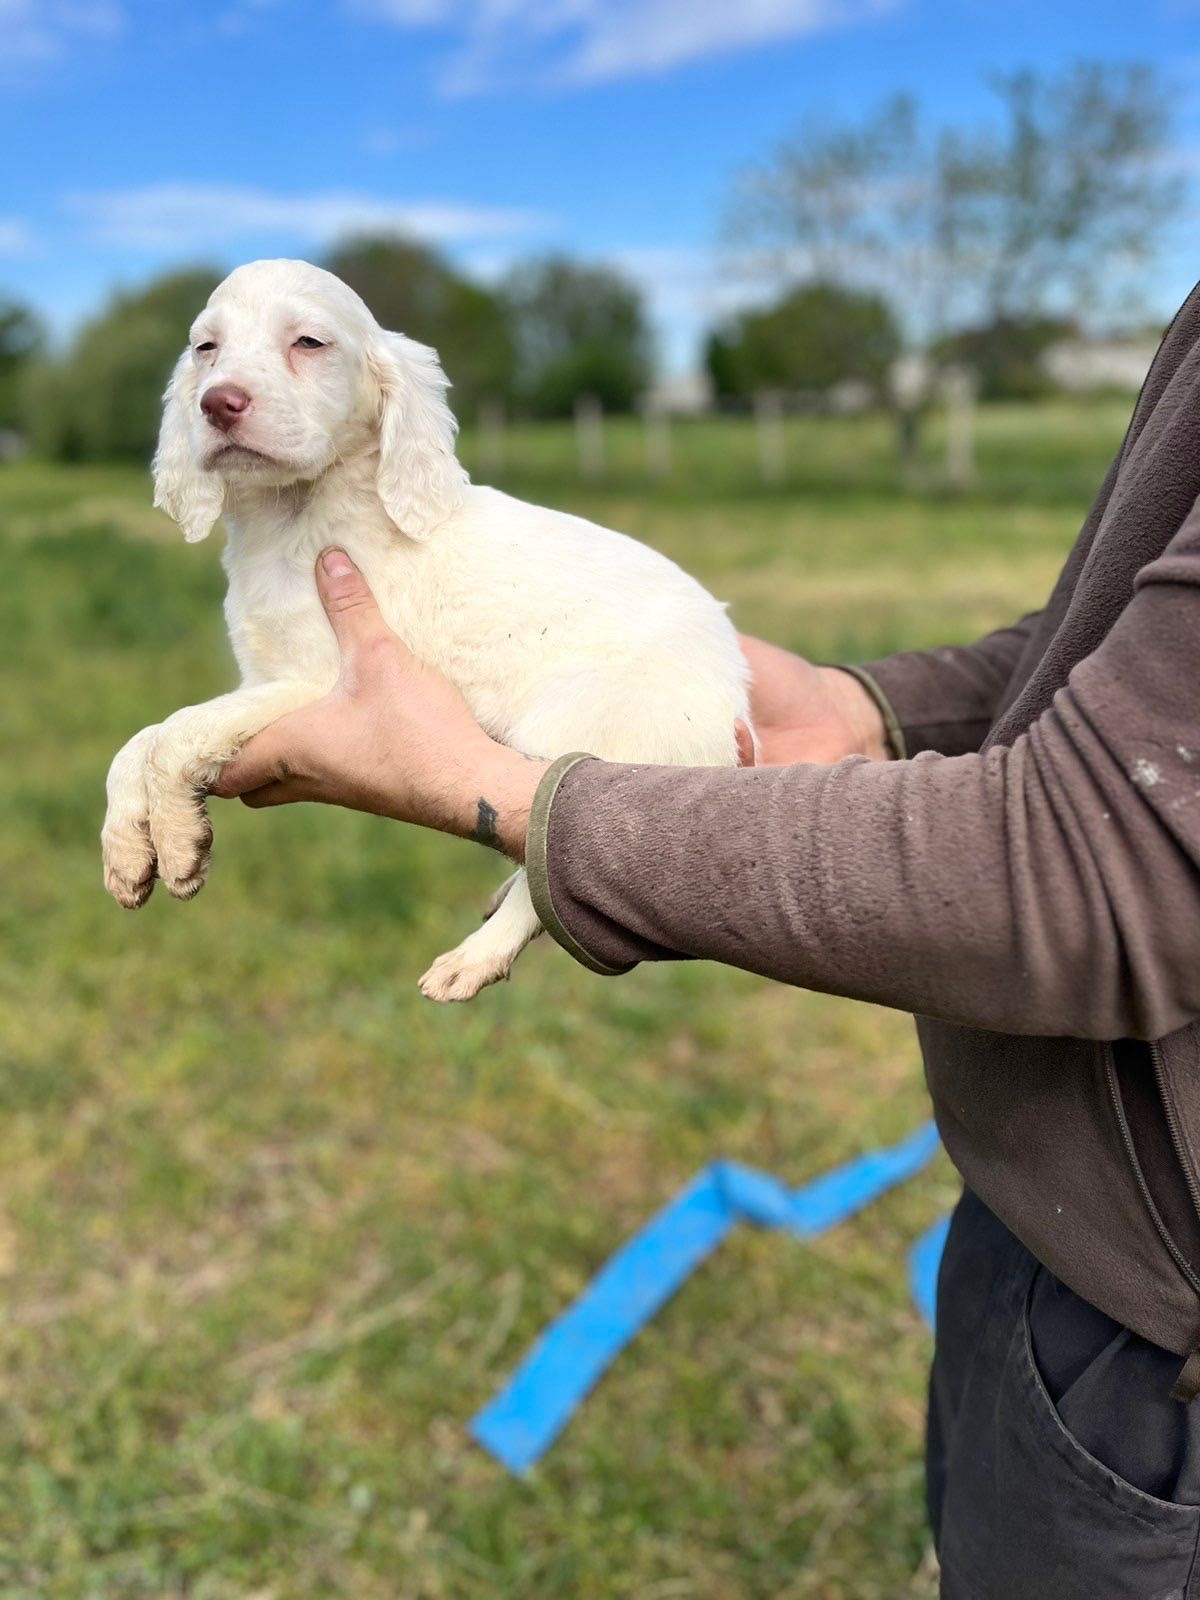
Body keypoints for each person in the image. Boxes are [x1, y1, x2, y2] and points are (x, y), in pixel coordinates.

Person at [215, 285, 1200, 1598]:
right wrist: (874, 710)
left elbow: (1094, 869)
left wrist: (524, 802)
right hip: (1049, 1222)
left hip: (1156, 1352)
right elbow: (1133, 655)